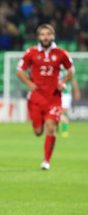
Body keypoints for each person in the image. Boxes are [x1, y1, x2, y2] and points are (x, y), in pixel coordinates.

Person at [17, 24, 75, 170]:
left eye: (48, 34)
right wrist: (29, 83)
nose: (45, 37)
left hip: (53, 98)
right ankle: (40, 123)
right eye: (42, 34)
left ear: (53, 36)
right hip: (36, 98)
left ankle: (46, 161)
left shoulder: (61, 53)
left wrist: (63, 82)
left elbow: (71, 70)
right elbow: (20, 70)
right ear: (38, 37)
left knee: (50, 127)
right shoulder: (31, 52)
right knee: (38, 132)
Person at [59, 73, 81, 138]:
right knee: (57, 111)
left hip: (66, 93)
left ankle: (64, 130)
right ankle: (56, 128)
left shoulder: (68, 70)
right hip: (57, 92)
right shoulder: (56, 68)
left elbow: (73, 81)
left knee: (64, 111)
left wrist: (77, 92)